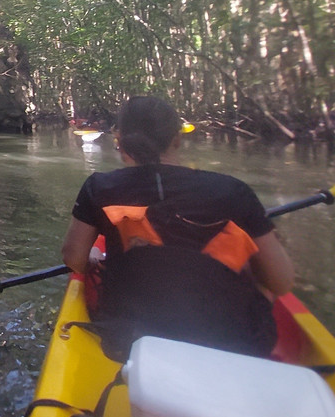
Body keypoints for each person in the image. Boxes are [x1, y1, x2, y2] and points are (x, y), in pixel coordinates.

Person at [60, 96, 295, 359]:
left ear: (120, 140)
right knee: (260, 266)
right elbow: (282, 282)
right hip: (233, 344)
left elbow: (73, 259)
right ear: (177, 139)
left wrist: (91, 257)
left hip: (129, 342)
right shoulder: (235, 191)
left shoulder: (100, 187)